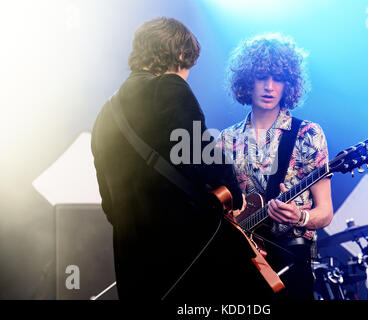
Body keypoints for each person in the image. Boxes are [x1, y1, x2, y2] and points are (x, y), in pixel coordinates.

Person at [91, 17, 270, 302]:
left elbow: (109, 204)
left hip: (131, 260)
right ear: (181, 55)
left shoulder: (105, 114)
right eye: (189, 65)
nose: (188, 74)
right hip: (184, 253)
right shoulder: (168, 87)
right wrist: (236, 195)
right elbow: (202, 155)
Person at [218, 33, 334, 300]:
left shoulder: (307, 134)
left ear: (289, 84)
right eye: (261, 77)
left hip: (292, 258)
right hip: (242, 263)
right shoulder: (225, 140)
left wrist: (301, 217)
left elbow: (326, 212)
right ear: (247, 81)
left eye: (278, 78)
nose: (269, 86)